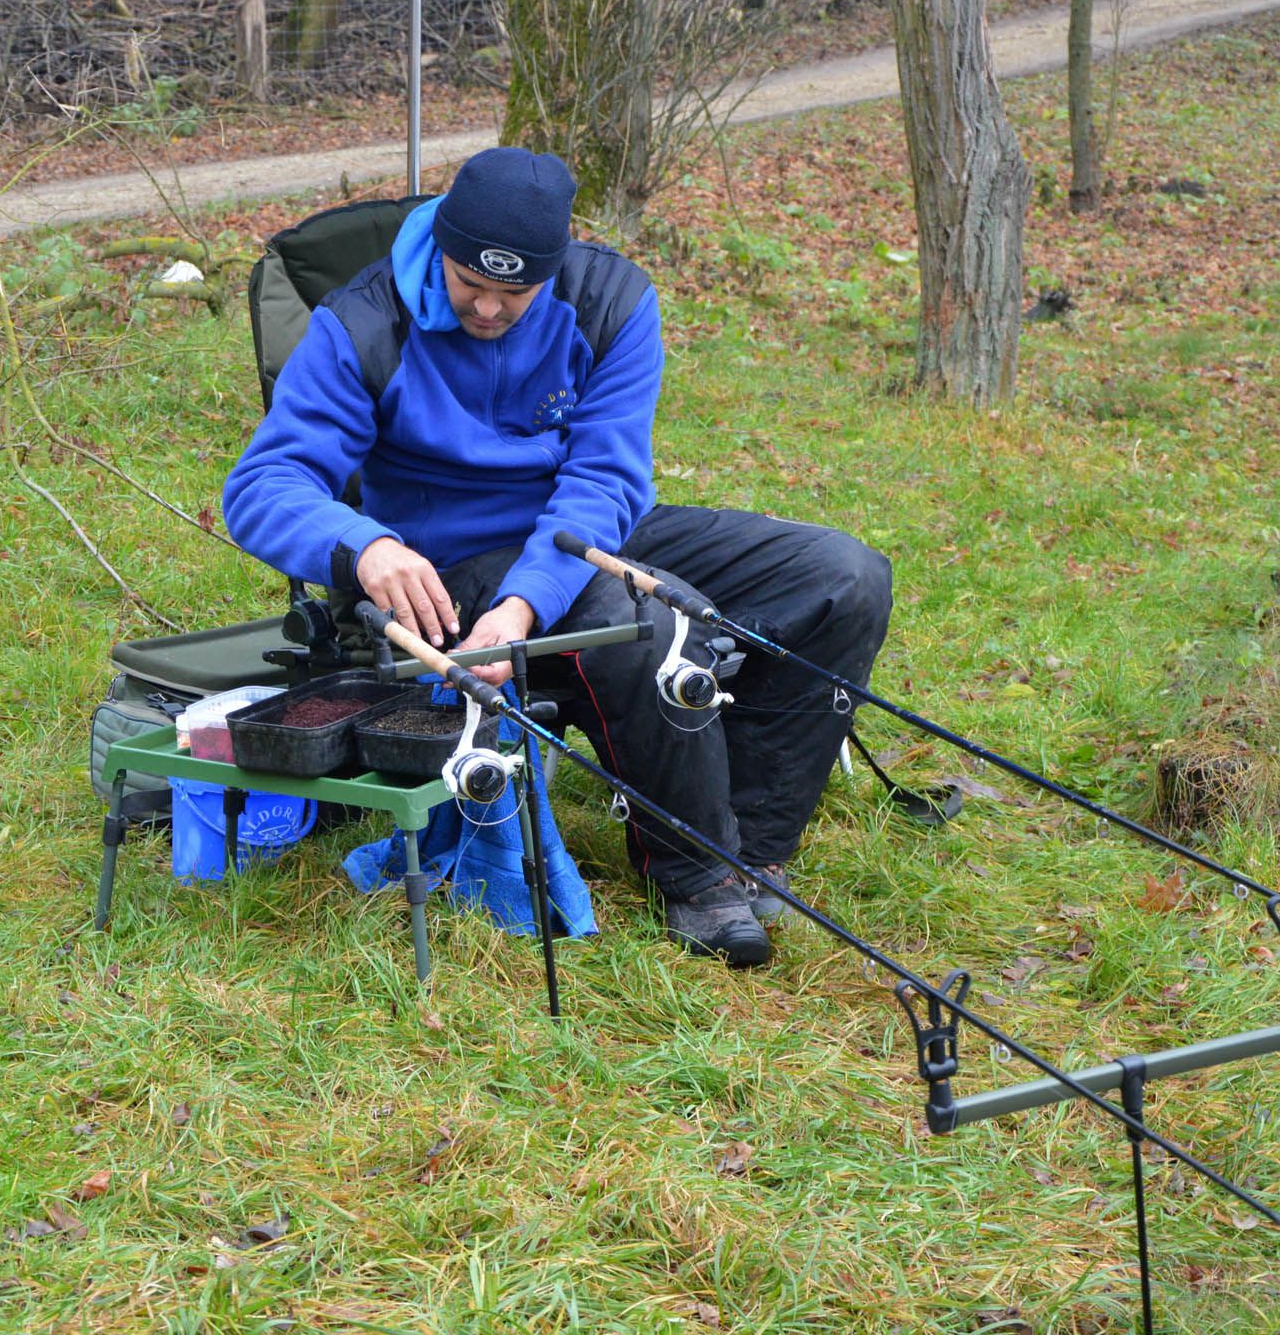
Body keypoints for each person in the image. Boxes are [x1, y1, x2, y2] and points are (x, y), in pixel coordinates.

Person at [223, 147, 891, 967]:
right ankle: (698, 879)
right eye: (471, 285)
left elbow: (606, 481)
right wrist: (367, 546)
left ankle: (750, 848)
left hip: (585, 531)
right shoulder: (364, 321)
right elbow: (262, 484)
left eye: (516, 293)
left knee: (844, 578)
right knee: (645, 623)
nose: (491, 309)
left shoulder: (611, 301)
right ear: (443, 249)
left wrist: (528, 601)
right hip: (450, 563)